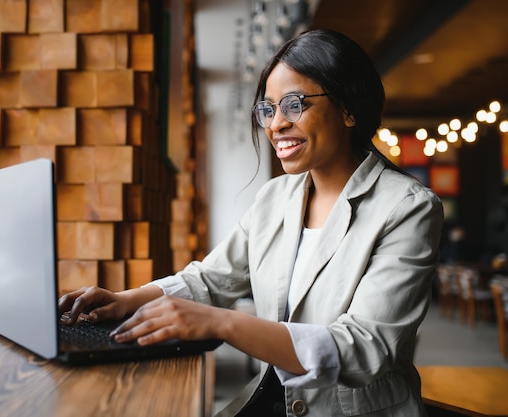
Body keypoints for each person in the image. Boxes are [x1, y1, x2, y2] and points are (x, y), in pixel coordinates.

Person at [58, 28, 444, 417]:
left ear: (348, 108)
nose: (275, 125)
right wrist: (126, 300)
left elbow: (365, 349)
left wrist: (221, 324)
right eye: (267, 109)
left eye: (294, 104)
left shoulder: (407, 208)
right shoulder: (275, 198)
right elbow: (209, 280)